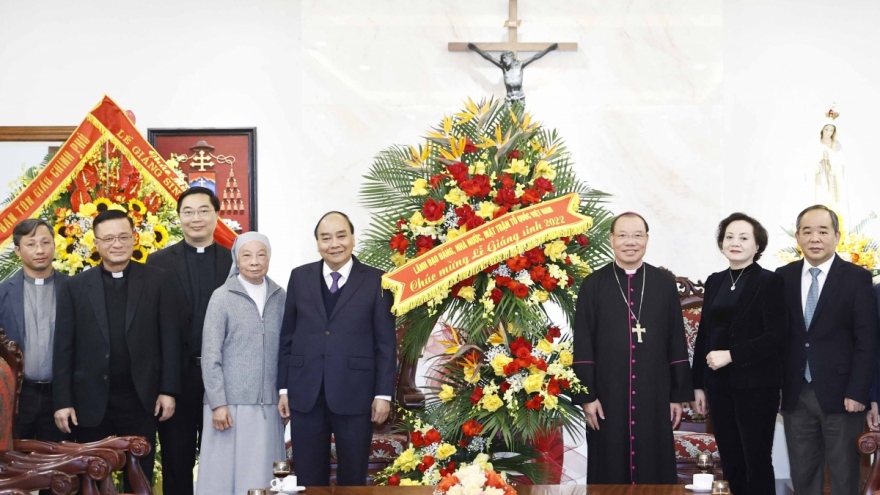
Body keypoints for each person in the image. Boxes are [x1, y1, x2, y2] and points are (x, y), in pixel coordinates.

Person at [53, 209, 181, 482]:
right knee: (94, 478)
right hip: (91, 401)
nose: (117, 244)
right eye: (108, 238)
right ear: (96, 243)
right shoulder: (75, 287)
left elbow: (170, 340)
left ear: (134, 239)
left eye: (124, 237)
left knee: (140, 478)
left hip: (141, 399)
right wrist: (63, 401)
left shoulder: (158, 280)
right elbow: (63, 348)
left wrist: (168, 390)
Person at [572, 211, 693, 484]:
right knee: (608, 463)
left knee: (655, 463)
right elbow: (583, 343)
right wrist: (587, 397)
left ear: (647, 239)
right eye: (623, 235)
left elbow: (676, 339)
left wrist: (676, 395)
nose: (630, 242)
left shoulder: (663, 284)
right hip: (607, 394)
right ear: (612, 239)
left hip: (655, 392)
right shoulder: (593, 284)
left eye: (637, 235)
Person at [277, 211, 396, 486]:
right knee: (308, 476)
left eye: (341, 236)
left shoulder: (378, 281)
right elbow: (288, 337)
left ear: (353, 238)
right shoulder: (299, 277)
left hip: (356, 392)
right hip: (306, 392)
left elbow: (386, 344)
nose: (335, 244)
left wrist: (383, 394)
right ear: (317, 243)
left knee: (353, 476)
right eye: (326, 238)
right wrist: (284, 389)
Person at [777, 205, 878, 495]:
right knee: (803, 474)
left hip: (843, 395)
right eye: (807, 231)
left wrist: (859, 392)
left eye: (823, 231)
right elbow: (777, 338)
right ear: (798, 237)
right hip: (796, 393)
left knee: (844, 475)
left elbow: (866, 340)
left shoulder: (856, 278)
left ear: (837, 236)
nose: (815, 238)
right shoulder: (782, 277)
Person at [691, 213, 786, 495]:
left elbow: (775, 337)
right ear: (721, 243)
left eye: (744, 238)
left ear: (757, 246)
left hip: (757, 385)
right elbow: (704, 335)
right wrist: (698, 384)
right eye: (729, 237)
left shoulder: (771, 282)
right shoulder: (715, 281)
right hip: (718, 385)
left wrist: (732, 354)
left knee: (755, 460)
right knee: (730, 459)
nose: (736, 243)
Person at [148, 187, 232, 495]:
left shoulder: (234, 260)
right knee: (176, 461)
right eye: (188, 212)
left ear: (216, 215)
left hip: (223, 381)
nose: (196, 218)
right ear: (179, 217)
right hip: (176, 381)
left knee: (222, 461)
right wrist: (163, 386)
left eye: (203, 211)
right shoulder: (157, 262)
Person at [196, 232, 285, 495]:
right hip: (228, 407)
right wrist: (218, 403)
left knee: (261, 475)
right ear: (237, 258)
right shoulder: (222, 296)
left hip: (267, 405)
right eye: (247, 255)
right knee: (222, 478)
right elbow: (210, 355)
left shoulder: (280, 296)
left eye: (261, 254)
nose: (255, 261)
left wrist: (283, 394)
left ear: (269, 258)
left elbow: (287, 351)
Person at [0, 219, 70, 442]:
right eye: (31, 244)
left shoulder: (74, 289)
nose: (40, 250)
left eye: (45, 242)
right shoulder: (3, 293)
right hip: (18, 395)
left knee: (59, 469)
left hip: (61, 397)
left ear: (54, 245)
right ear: (18, 250)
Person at [467, 43, 558, 103]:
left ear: (511, 58)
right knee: (509, 125)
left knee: (520, 123)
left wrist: (549, 49)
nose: (504, 61)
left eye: (505, 58)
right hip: (509, 99)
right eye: (502, 59)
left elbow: (535, 57)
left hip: (520, 98)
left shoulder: (520, 65)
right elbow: (488, 57)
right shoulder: (504, 68)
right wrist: (476, 49)